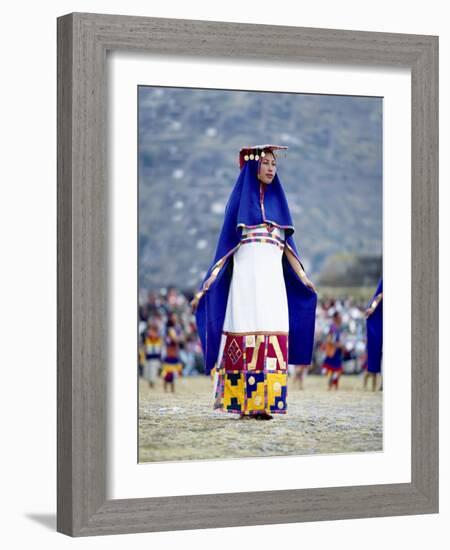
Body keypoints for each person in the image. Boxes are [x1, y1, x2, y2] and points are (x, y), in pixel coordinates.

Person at [191, 144, 317, 419]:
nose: (272, 168)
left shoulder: (280, 211)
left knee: (271, 335)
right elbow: (224, 249)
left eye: (275, 164)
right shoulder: (238, 207)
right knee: (245, 333)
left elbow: (289, 249)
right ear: (254, 166)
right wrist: (209, 281)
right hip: (246, 285)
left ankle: (265, 402)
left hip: (273, 285)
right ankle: (243, 404)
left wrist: (304, 278)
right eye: (267, 163)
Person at [364, 278, 383, 391]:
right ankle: (373, 386)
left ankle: (375, 385)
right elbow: (379, 296)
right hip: (378, 317)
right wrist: (372, 308)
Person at [322, 311, 344, 390]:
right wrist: (337, 344)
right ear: (335, 318)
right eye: (339, 316)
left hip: (338, 351)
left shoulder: (339, 327)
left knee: (337, 370)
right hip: (333, 351)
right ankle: (331, 385)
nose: (341, 318)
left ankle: (334, 385)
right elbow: (329, 339)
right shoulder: (332, 327)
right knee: (334, 370)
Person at [143, 323, 163, 388]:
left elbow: (160, 348)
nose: (152, 332)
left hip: (155, 356)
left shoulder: (158, 338)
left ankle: (152, 382)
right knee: (147, 372)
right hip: (149, 356)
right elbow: (146, 347)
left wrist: (160, 356)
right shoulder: (148, 338)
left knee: (153, 370)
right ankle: (150, 381)